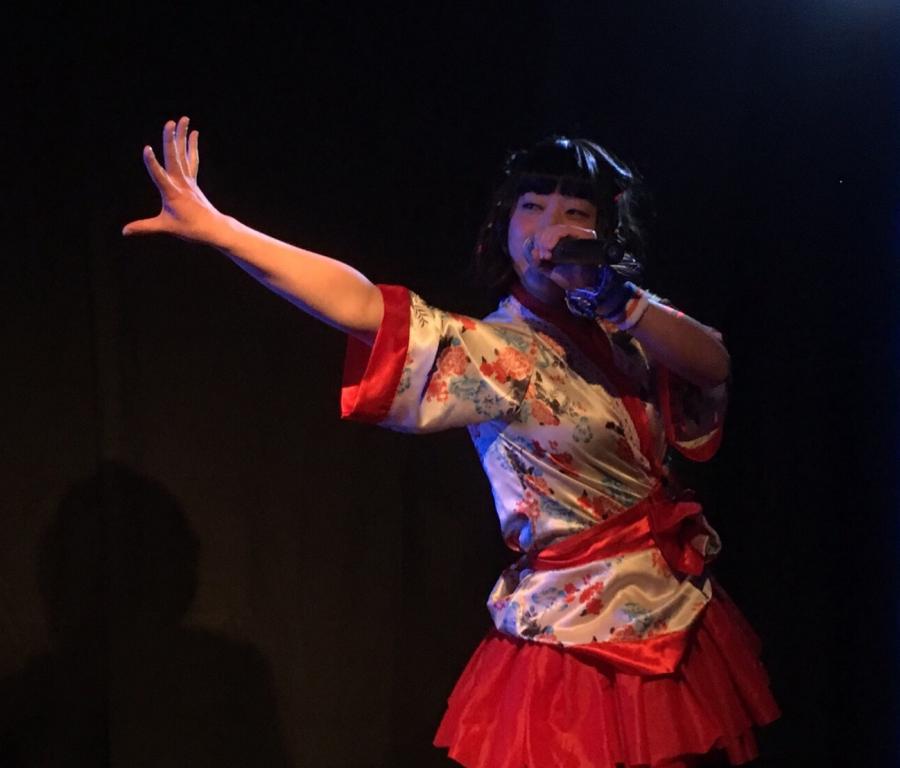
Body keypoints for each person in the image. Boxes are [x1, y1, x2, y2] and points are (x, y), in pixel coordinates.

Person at [124, 117, 780, 768]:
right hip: (577, 637)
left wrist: (613, 297)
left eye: (575, 211)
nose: (551, 226)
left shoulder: (627, 327)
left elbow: (713, 365)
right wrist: (224, 231)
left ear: (602, 233)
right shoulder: (494, 351)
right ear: (506, 225)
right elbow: (361, 306)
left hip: (675, 605)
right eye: (532, 206)